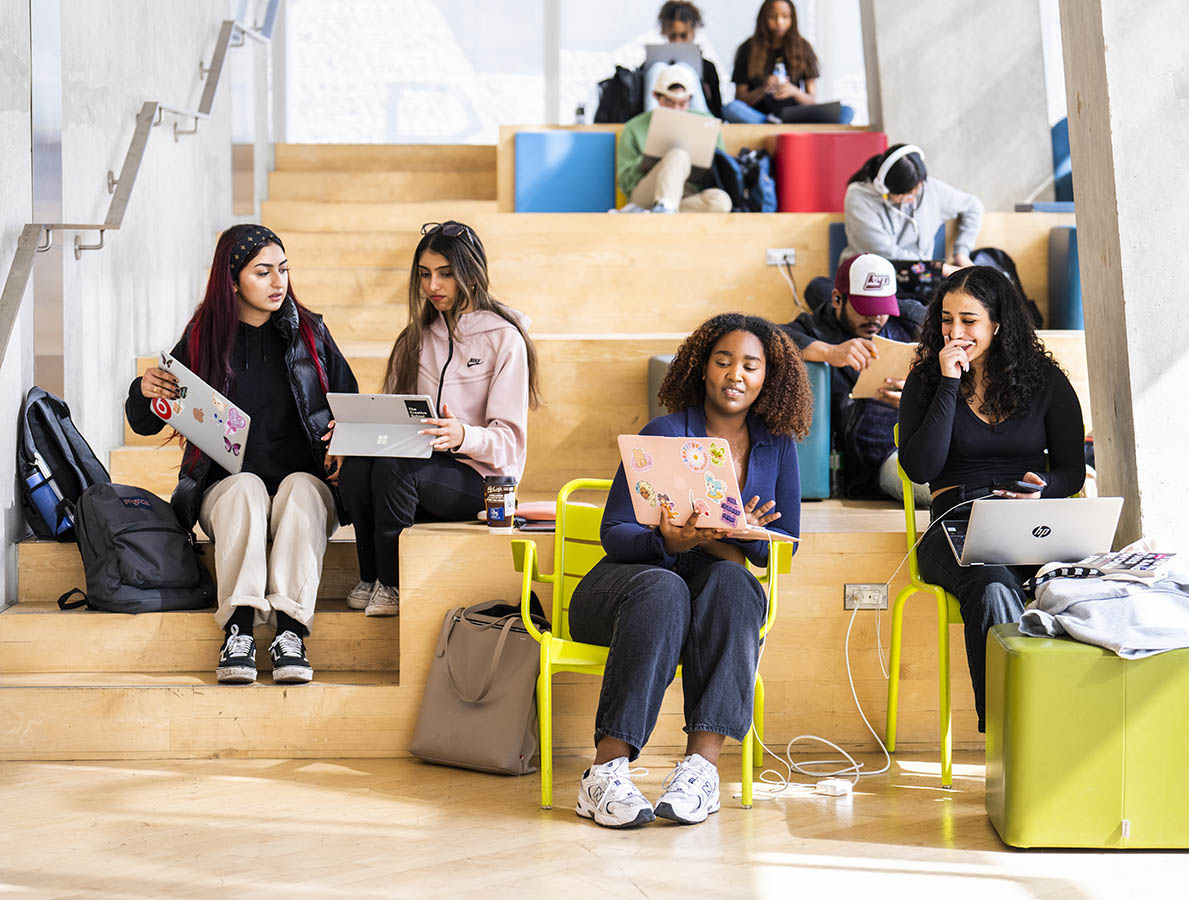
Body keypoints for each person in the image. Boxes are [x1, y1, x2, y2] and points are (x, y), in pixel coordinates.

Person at [571, 313, 810, 828]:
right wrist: (666, 540)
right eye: (723, 361)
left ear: (769, 376)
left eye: (750, 365)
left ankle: (700, 772)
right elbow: (613, 533)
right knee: (665, 588)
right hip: (626, 588)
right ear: (703, 369)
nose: (735, 375)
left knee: (735, 585)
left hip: (705, 583)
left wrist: (747, 535)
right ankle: (603, 775)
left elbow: (784, 545)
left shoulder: (778, 445)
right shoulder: (664, 432)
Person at [125, 224, 358, 685]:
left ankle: (291, 632)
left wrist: (342, 444)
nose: (278, 283)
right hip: (226, 490)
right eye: (263, 272)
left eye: (284, 270)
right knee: (246, 489)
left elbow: (350, 404)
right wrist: (143, 390)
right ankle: (240, 631)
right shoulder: (203, 336)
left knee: (299, 489)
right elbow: (148, 420)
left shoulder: (310, 333)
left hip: (305, 487)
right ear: (232, 281)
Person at [898, 266, 1085, 731]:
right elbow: (920, 468)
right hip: (957, 522)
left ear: (997, 324)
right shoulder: (926, 379)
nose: (955, 332)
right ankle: (1013, 731)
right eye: (946, 320)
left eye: (969, 321)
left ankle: (1080, 726)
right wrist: (947, 381)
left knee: (1080, 587)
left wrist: (1043, 492)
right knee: (993, 586)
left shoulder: (1044, 381)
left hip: (1029, 520)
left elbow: (1071, 469)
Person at [337, 221, 538, 617]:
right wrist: (353, 439)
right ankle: (372, 576)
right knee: (359, 466)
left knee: (397, 465)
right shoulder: (414, 339)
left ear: (471, 272)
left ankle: (393, 583)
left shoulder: (504, 339)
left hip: (483, 483)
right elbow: (390, 420)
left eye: (446, 273)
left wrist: (462, 435)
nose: (434, 286)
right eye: (425, 274)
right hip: (418, 474)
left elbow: (509, 444)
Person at [782, 253, 930, 504]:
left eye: (882, 310)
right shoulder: (815, 328)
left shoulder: (912, 320)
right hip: (879, 456)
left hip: (927, 439)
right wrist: (829, 352)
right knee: (932, 486)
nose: (875, 319)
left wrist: (918, 398)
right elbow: (765, 337)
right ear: (837, 299)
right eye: (865, 310)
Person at [841, 144, 984, 297]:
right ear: (884, 187)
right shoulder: (858, 197)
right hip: (872, 280)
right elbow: (885, 252)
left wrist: (961, 252)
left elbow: (973, 206)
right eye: (906, 194)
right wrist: (939, 268)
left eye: (917, 189)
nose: (912, 198)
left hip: (923, 281)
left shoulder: (928, 189)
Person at [616, 64, 732, 214]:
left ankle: (658, 212)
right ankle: (663, 206)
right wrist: (654, 157)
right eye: (669, 102)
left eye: (683, 103)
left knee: (721, 202)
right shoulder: (633, 127)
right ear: (656, 97)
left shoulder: (706, 123)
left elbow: (722, 167)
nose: (676, 109)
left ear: (690, 99)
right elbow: (625, 182)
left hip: (690, 190)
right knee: (678, 154)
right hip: (647, 191)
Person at [725, 0, 820, 124]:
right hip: (759, 117)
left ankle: (775, 124)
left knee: (846, 111)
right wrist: (763, 89)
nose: (779, 22)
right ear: (763, 19)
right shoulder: (747, 48)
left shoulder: (803, 47)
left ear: (792, 19)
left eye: (785, 17)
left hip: (795, 117)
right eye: (772, 17)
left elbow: (812, 99)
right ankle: (770, 123)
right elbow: (740, 98)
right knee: (731, 108)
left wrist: (794, 91)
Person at [652, 2, 724, 119]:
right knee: (656, 68)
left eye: (683, 36)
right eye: (672, 36)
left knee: (684, 67)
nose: (678, 41)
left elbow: (717, 109)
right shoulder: (652, 67)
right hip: (662, 121)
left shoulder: (708, 67)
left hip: (697, 122)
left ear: (693, 33)